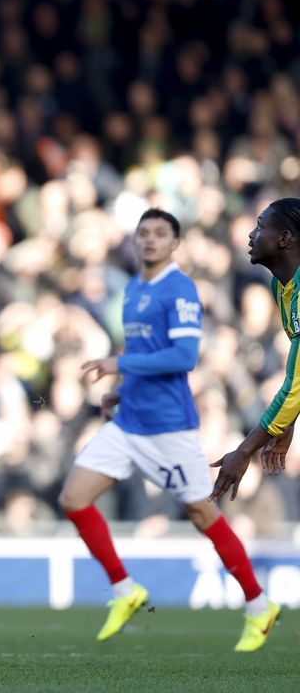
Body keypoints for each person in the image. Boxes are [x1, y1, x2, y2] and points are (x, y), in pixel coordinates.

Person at [62, 208, 279, 652]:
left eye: (161, 234)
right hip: (129, 422)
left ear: (175, 244)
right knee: (73, 498)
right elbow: (147, 354)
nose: (150, 240)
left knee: (202, 515)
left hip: (168, 429)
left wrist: (118, 364)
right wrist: (121, 391)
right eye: (143, 233)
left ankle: (259, 604)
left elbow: (183, 358)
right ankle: (125, 590)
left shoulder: (179, 290)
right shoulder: (132, 290)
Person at [211, 197, 300, 496]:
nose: (251, 234)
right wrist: (285, 424)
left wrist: (243, 451)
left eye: (260, 226)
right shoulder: (282, 288)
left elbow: (294, 387)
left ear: (284, 239)